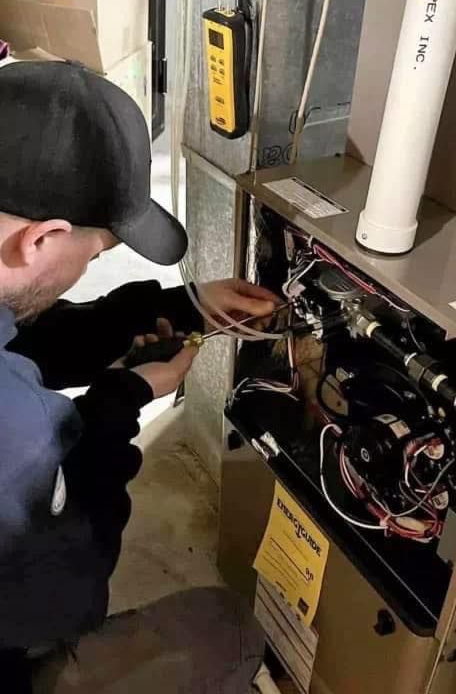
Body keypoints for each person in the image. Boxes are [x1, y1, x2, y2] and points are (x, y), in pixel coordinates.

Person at [0, 61, 277, 692]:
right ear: (42, 239)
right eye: (95, 252)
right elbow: (66, 600)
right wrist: (117, 406)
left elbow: (20, 330)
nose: (89, 265)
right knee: (225, 630)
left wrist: (184, 306)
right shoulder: (19, 435)